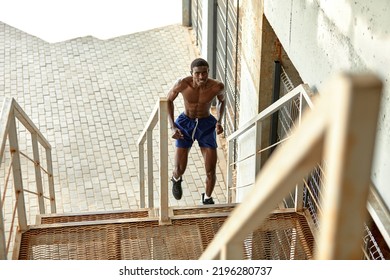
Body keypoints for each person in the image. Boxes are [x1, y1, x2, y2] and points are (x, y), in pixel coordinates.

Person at [167, 58, 226, 204]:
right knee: (180, 169)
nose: (201, 77)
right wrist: (172, 126)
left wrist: (219, 121)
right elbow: (168, 100)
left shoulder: (217, 86)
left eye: (204, 73)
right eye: (197, 73)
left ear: (208, 72)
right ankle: (176, 178)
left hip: (206, 126)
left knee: (211, 171)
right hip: (185, 124)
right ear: (191, 73)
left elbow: (222, 101)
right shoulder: (182, 84)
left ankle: (207, 198)